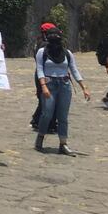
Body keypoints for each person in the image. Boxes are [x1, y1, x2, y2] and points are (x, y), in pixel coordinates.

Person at [35, 24, 91, 156]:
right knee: (47, 113)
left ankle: (63, 144)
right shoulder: (42, 52)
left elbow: (74, 70)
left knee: (63, 116)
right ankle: (40, 137)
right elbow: (39, 69)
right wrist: (43, 86)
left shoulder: (67, 53)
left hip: (64, 85)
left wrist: (84, 87)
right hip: (49, 84)